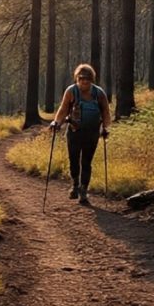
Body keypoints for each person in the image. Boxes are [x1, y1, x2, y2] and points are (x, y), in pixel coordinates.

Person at [49, 64, 111, 205]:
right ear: (77, 78)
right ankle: (75, 185)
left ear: (92, 80)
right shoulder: (71, 91)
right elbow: (63, 109)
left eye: (87, 79)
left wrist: (105, 128)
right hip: (74, 132)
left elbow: (106, 112)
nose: (84, 82)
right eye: (81, 78)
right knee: (74, 160)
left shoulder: (98, 93)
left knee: (87, 162)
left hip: (92, 133)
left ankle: (84, 191)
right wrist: (56, 123)